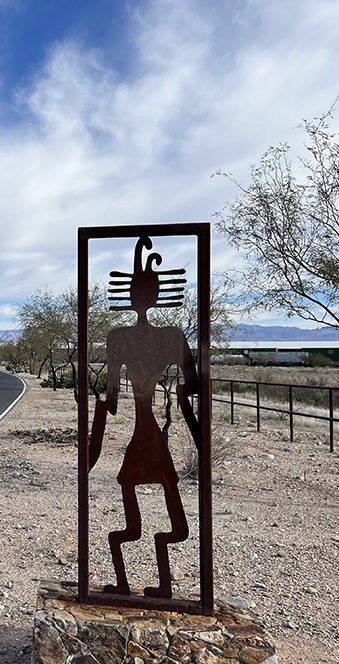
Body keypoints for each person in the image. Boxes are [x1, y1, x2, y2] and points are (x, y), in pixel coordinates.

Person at [88, 236, 201, 599]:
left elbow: (111, 402)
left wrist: (93, 445)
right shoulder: (158, 337)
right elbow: (112, 400)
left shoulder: (128, 337)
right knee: (148, 519)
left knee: (152, 523)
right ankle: (141, 584)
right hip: (148, 436)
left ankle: (147, 584)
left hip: (145, 437)